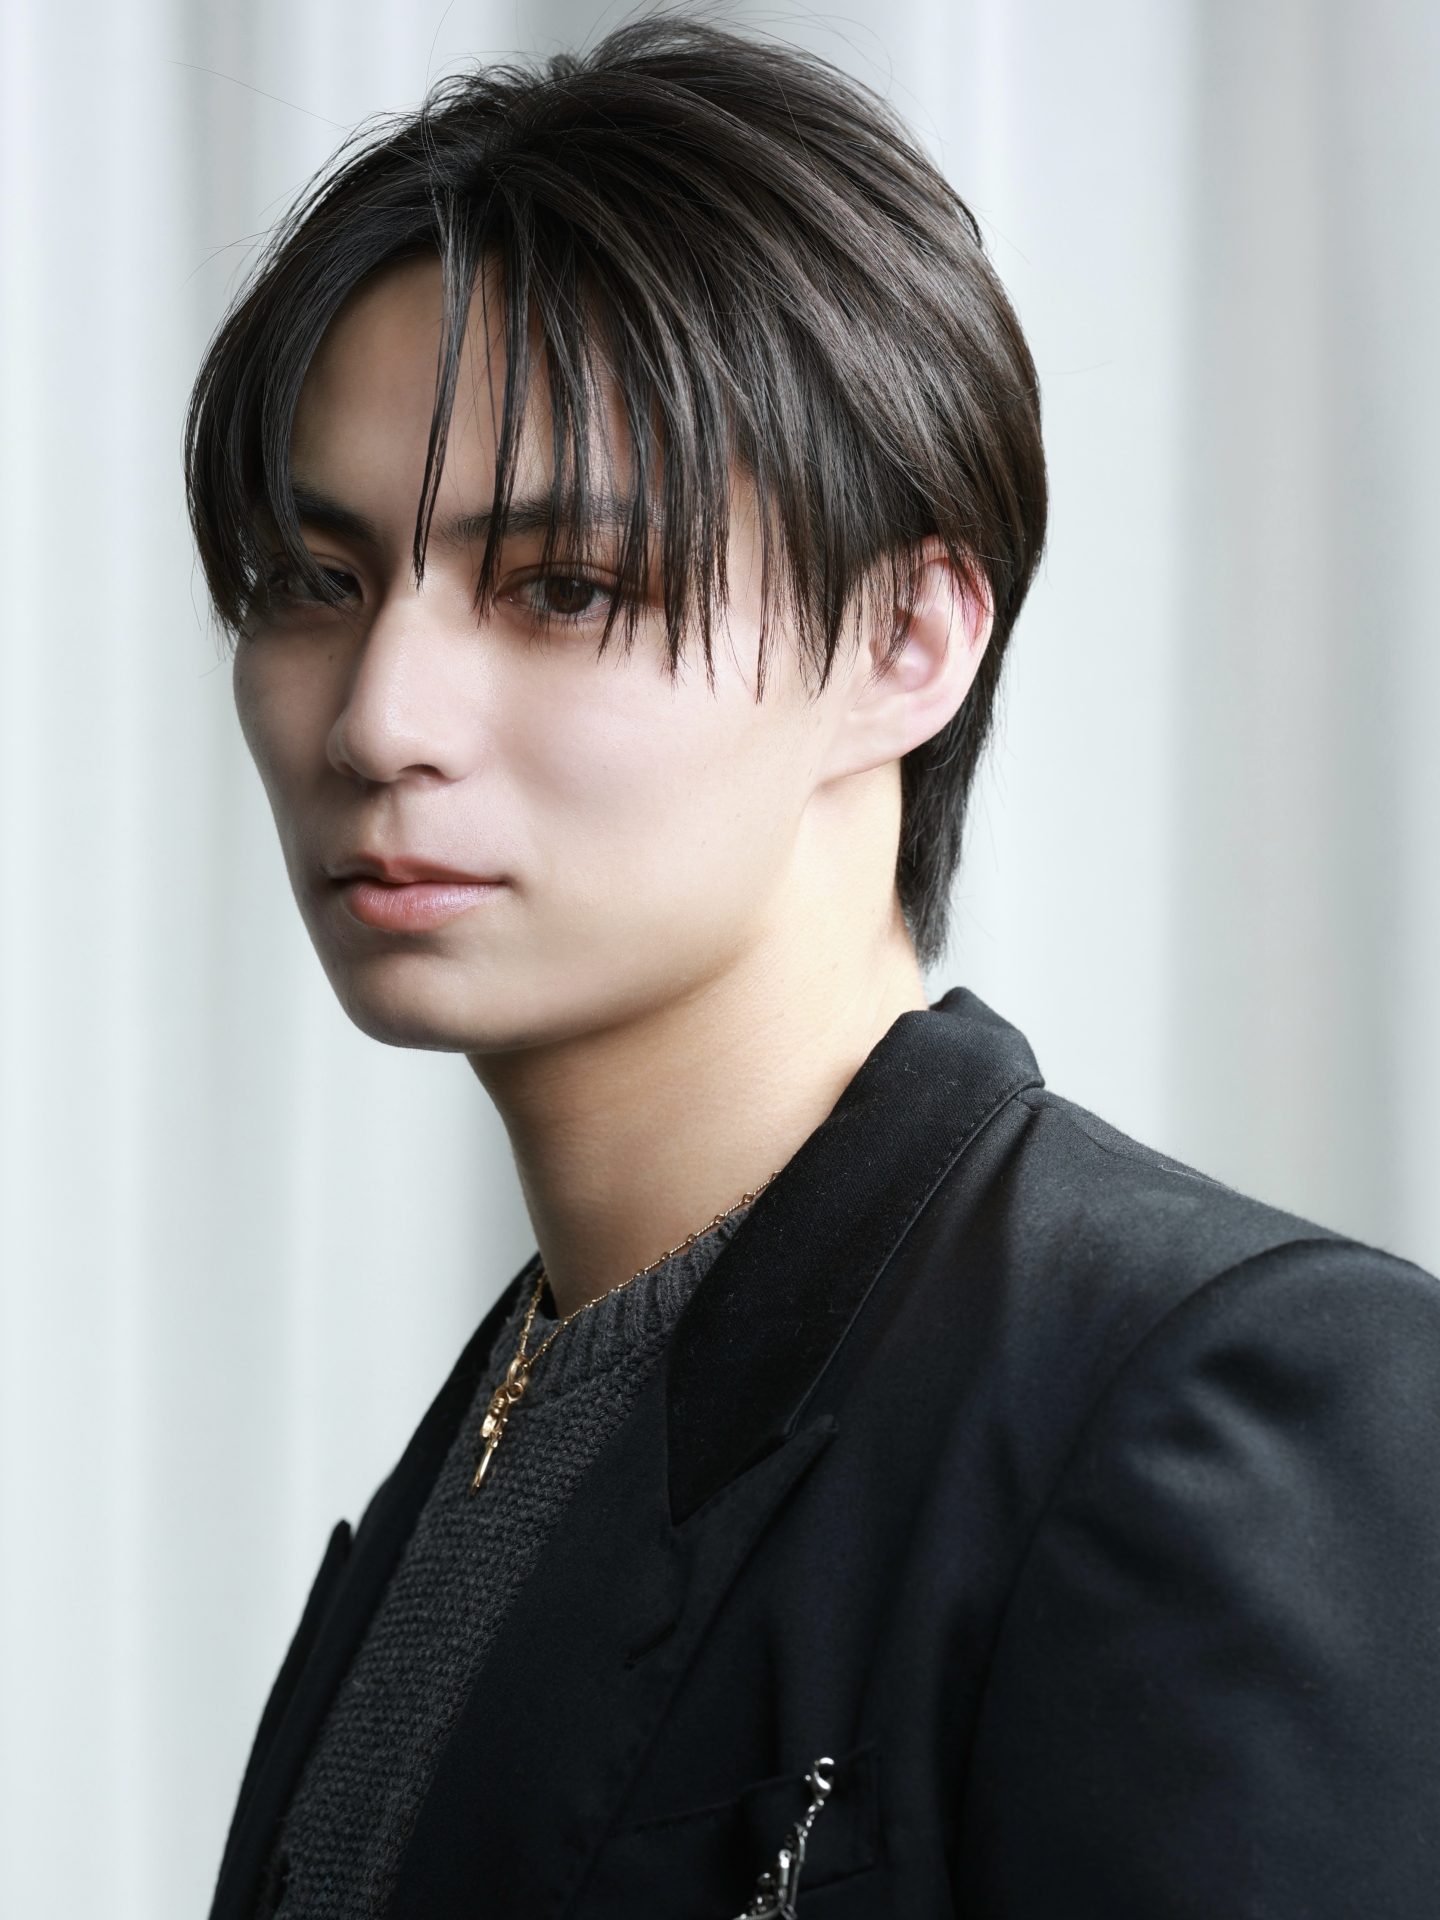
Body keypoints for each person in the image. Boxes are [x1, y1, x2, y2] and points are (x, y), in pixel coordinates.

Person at [185, 14, 1440, 1918]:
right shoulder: (506, 1424)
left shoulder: (1214, 1398)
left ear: (907, 640)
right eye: (316, 582)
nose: (378, 719)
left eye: (562, 587)